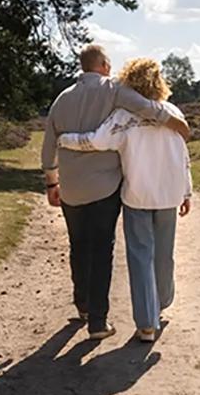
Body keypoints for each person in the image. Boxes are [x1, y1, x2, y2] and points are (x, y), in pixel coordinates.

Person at [42, 44, 191, 341]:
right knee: (145, 252)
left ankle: (121, 315)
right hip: (143, 191)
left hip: (109, 190)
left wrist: (60, 156)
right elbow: (176, 147)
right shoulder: (158, 107)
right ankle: (141, 308)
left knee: (113, 251)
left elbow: (84, 142)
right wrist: (187, 188)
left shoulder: (88, 106)